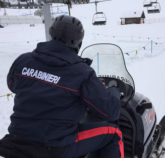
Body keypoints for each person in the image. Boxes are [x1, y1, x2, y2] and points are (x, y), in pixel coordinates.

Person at [0, 15, 123, 158]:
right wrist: (113, 92)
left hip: (18, 138)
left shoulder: (23, 60)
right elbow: (110, 112)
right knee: (114, 133)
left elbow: (12, 85)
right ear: (78, 41)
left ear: (52, 34)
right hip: (55, 146)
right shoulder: (81, 72)